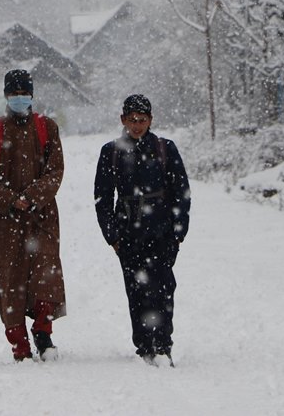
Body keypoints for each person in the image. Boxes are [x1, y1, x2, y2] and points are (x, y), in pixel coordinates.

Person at [0, 69, 66, 362]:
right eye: (14, 93)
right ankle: (19, 345)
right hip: (4, 223)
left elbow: (55, 170)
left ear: (32, 95)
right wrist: (11, 201)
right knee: (9, 282)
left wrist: (33, 197)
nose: (19, 98)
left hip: (42, 218)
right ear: (5, 96)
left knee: (45, 277)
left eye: (24, 93)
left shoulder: (47, 128)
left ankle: (43, 334)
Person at [93, 94, 191, 367]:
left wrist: (178, 231)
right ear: (123, 120)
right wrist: (112, 235)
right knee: (136, 290)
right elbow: (102, 197)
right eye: (132, 120)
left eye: (142, 120)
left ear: (150, 120)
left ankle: (163, 345)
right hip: (128, 232)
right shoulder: (111, 151)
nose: (137, 125)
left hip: (162, 231)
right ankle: (145, 345)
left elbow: (181, 192)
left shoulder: (165, 148)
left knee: (163, 288)